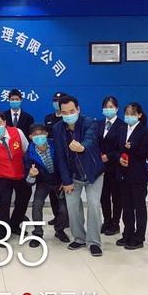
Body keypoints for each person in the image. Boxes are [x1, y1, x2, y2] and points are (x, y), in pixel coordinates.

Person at [53, 95, 105, 257]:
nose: (68, 114)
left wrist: (82, 147)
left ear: (78, 109)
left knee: (94, 205)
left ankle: (94, 242)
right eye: (64, 112)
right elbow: (60, 156)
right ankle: (79, 238)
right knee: (73, 207)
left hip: (93, 173)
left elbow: (91, 139)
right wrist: (66, 180)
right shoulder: (57, 128)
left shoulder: (89, 122)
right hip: (72, 175)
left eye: (72, 111)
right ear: (60, 113)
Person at [0, 110, 30, 244]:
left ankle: (14, 225)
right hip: (3, 177)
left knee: (23, 200)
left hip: (21, 174)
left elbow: (26, 150)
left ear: (4, 122)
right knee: (4, 202)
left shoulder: (17, 132)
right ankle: (2, 234)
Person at [24, 124, 70, 246]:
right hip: (43, 183)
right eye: (35, 134)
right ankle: (38, 233)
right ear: (30, 137)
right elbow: (28, 182)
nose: (39, 136)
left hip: (59, 182)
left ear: (46, 134)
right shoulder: (29, 154)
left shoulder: (57, 145)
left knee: (64, 209)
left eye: (41, 133)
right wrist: (31, 175)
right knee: (36, 205)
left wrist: (65, 181)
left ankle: (59, 230)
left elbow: (66, 163)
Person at [116, 102, 148, 251]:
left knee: (139, 207)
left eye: (132, 114)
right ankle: (128, 233)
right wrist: (119, 157)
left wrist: (133, 147)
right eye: (127, 114)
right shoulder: (122, 128)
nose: (129, 116)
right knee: (127, 206)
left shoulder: (145, 131)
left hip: (138, 175)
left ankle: (139, 237)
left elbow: (145, 153)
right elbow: (117, 149)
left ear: (139, 115)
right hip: (123, 173)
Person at [97, 96, 126, 236]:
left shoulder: (122, 125)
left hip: (115, 166)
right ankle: (107, 220)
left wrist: (109, 156)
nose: (108, 109)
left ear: (117, 108)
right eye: (106, 107)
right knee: (104, 195)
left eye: (111, 107)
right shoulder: (98, 124)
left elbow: (122, 147)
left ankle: (115, 223)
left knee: (116, 196)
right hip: (101, 167)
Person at [43, 91, 67, 227]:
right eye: (55, 100)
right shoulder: (48, 118)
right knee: (52, 191)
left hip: (64, 157)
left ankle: (65, 218)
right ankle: (56, 216)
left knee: (63, 190)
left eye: (59, 100)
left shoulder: (67, 118)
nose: (56, 103)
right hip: (50, 157)